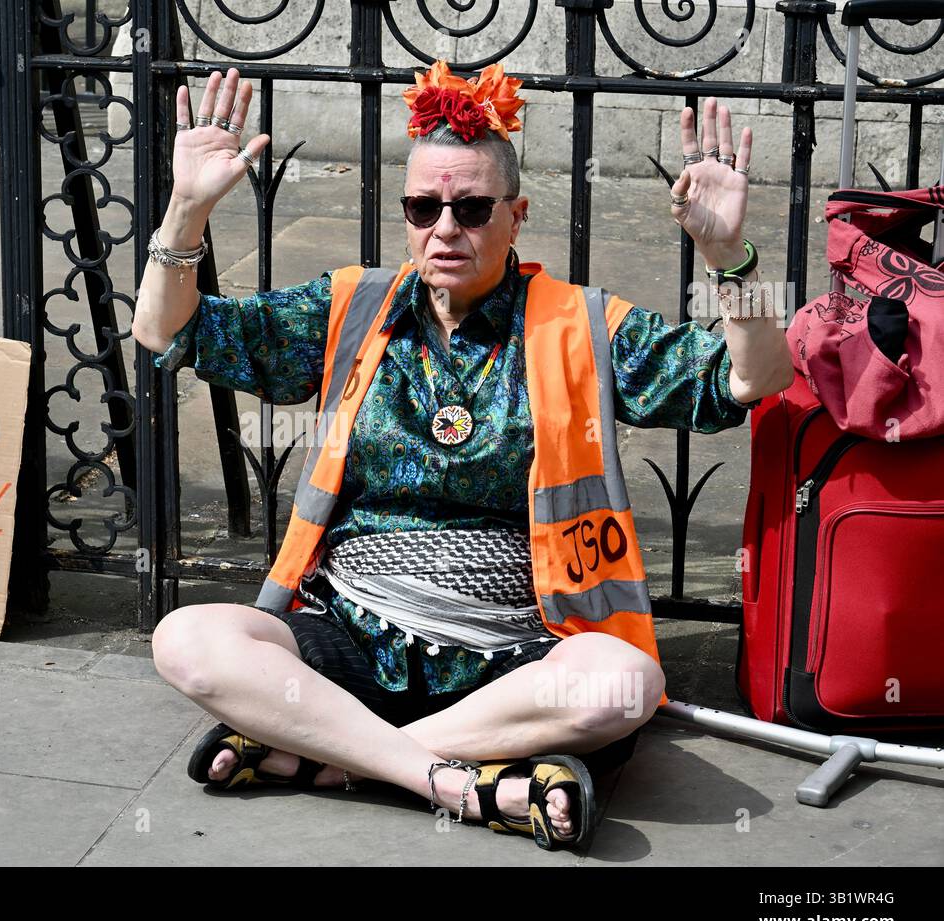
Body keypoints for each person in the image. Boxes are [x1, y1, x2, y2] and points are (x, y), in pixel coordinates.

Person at [131, 61, 794, 850]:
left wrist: (731, 258)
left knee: (627, 685)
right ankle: (453, 779)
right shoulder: (351, 306)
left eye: (473, 208)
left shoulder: (581, 324)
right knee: (187, 639)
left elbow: (752, 377)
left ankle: (339, 757)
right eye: (424, 207)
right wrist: (185, 211)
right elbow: (168, 332)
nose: (445, 228)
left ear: (516, 216)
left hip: (517, 652)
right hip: (352, 634)